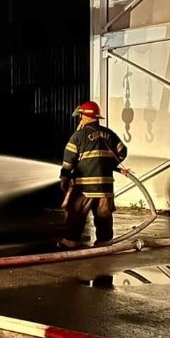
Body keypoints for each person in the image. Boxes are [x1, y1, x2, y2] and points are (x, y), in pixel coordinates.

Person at [57, 100, 128, 249]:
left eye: (81, 115)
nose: (80, 118)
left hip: (84, 187)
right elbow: (122, 152)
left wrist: (64, 177)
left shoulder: (78, 136)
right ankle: (104, 243)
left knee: (77, 215)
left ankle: (70, 242)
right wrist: (109, 165)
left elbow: (68, 161)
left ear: (86, 116)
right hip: (105, 187)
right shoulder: (109, 134)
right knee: (104, 216)